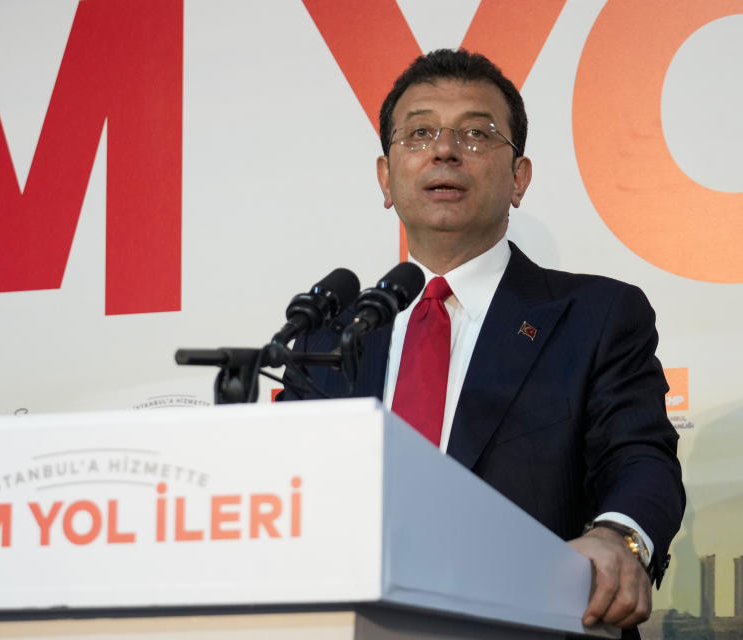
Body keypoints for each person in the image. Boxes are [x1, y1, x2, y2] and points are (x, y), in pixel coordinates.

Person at [280, 49, 684, 637]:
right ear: (386, 177)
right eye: (419, 133)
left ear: (519, 178)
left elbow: (639, 456)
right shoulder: (325, 337)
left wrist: (616, 536)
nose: (445, 149)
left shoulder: (596, 316)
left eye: (476, 133)